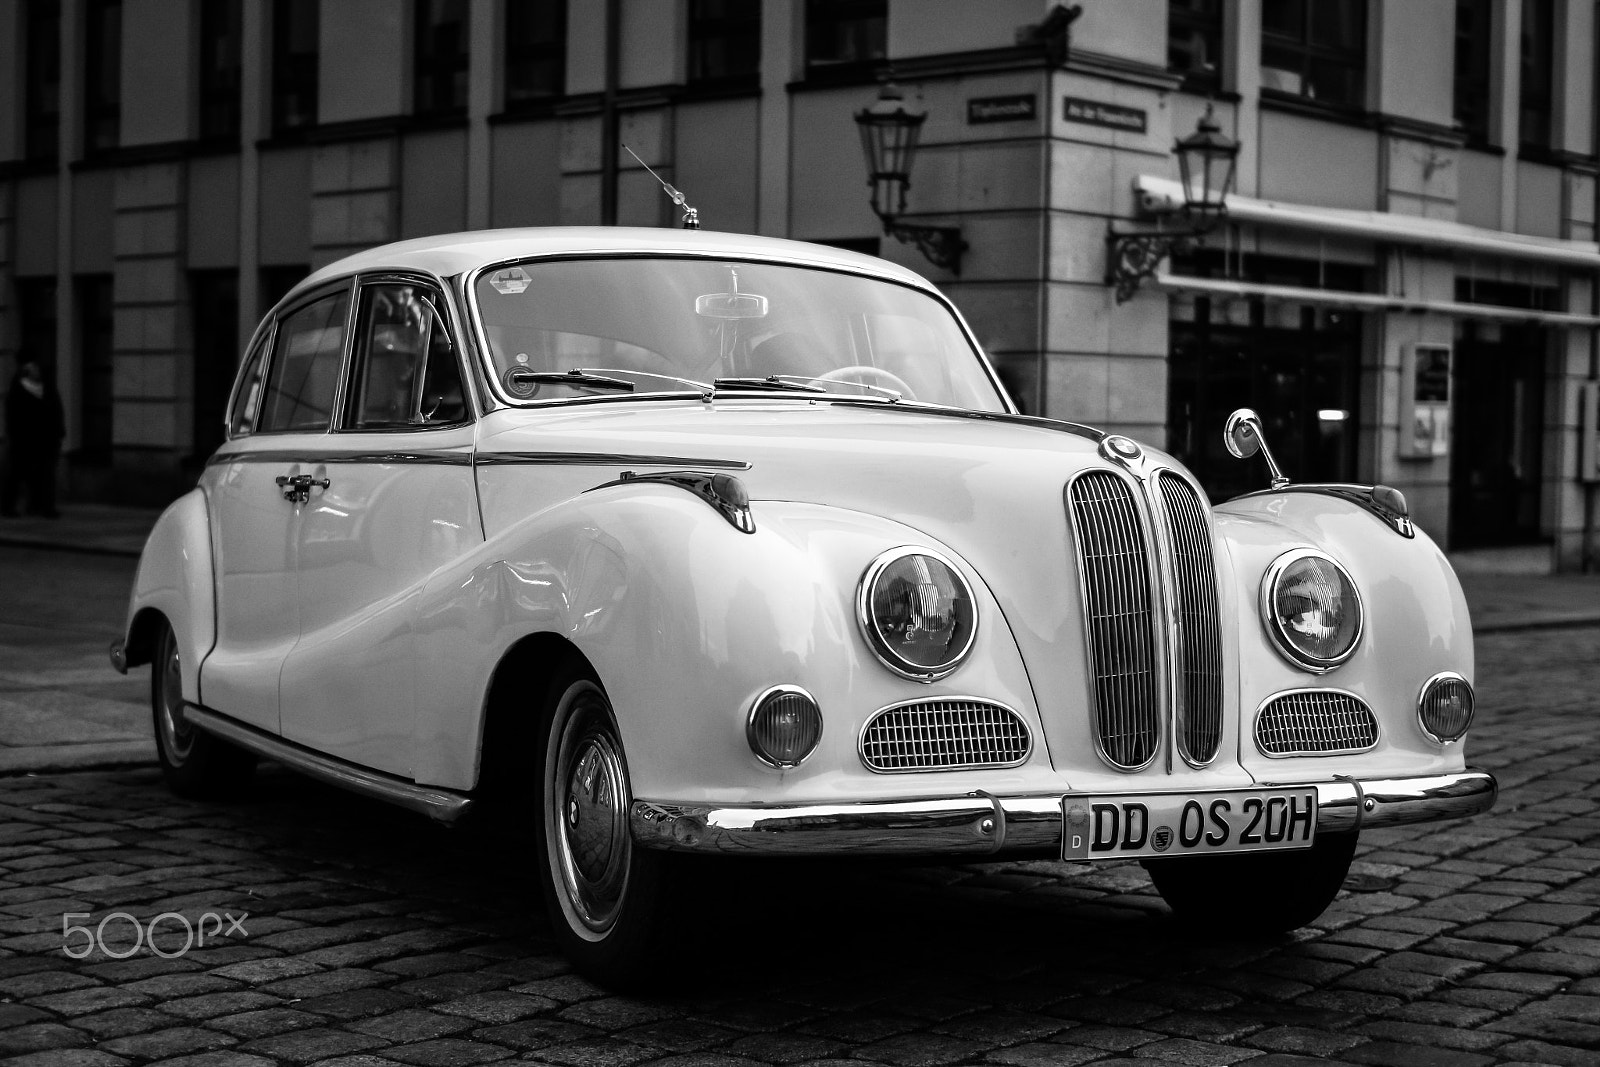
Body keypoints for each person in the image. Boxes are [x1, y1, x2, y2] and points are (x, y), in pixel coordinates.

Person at [2, 359, 65, 518]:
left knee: (45, 475)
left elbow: (57, 411)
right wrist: (15, 436)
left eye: (36, 368)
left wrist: (58, 431)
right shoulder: (18, 390)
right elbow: (13, 416)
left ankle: (44, 507)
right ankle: (9, 506)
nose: (36, 371)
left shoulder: (48, 388)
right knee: (17, 475)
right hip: (24, 441)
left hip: (45, 440)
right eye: (31, 369)